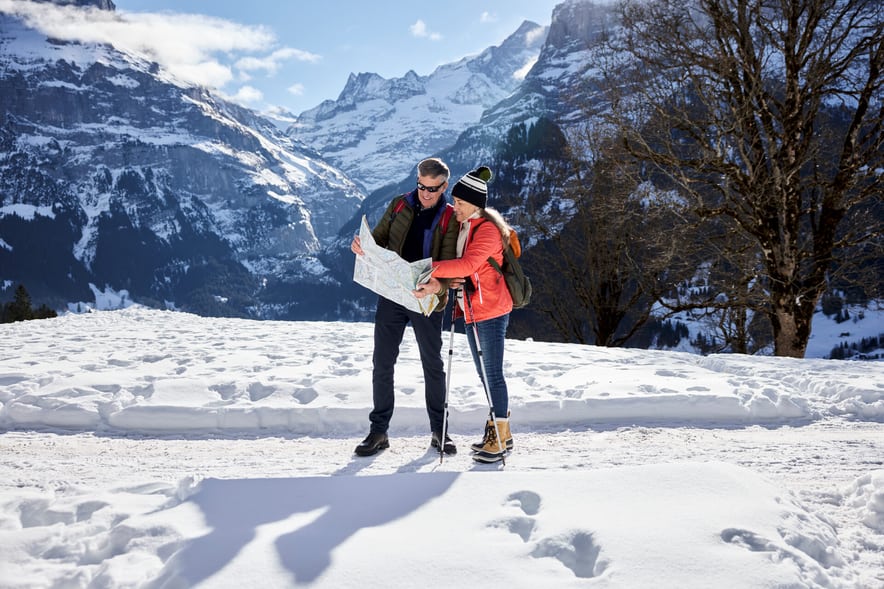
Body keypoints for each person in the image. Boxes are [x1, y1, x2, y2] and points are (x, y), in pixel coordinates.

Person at [350, 157, 460, 457]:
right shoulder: (400, 204)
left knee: (432, 365)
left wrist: (440, 286)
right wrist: (363, 247)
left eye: (433, 189)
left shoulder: (451, 218)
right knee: (382, 362)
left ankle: (440, 432)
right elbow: (381, 240)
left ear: (444, 186)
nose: (425, 194)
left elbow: (450, 263)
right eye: (421, 186)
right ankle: (378, 432)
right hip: (393, 294)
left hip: (427, 298)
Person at [414, 166, 514, 463]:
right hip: (473, 308)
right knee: (486, 375)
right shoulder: (467, 227)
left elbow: (467, 265)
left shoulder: (488, 230)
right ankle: (500, 432)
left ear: (474, 205)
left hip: (491, 310)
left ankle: (499, 436)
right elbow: (467, 270)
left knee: (492, 374)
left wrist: (427, 267)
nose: (454, 206)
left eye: (459, 203)